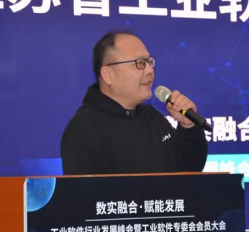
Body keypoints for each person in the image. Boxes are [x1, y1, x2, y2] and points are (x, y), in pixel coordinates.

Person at [61, 30, 208, 175]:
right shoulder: (84, 128)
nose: (150, 70)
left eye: (150, 62)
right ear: (108, 74)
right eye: (140, 63)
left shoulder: (151, 116)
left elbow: (188, 170)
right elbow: (85, 189)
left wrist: (189, 127)